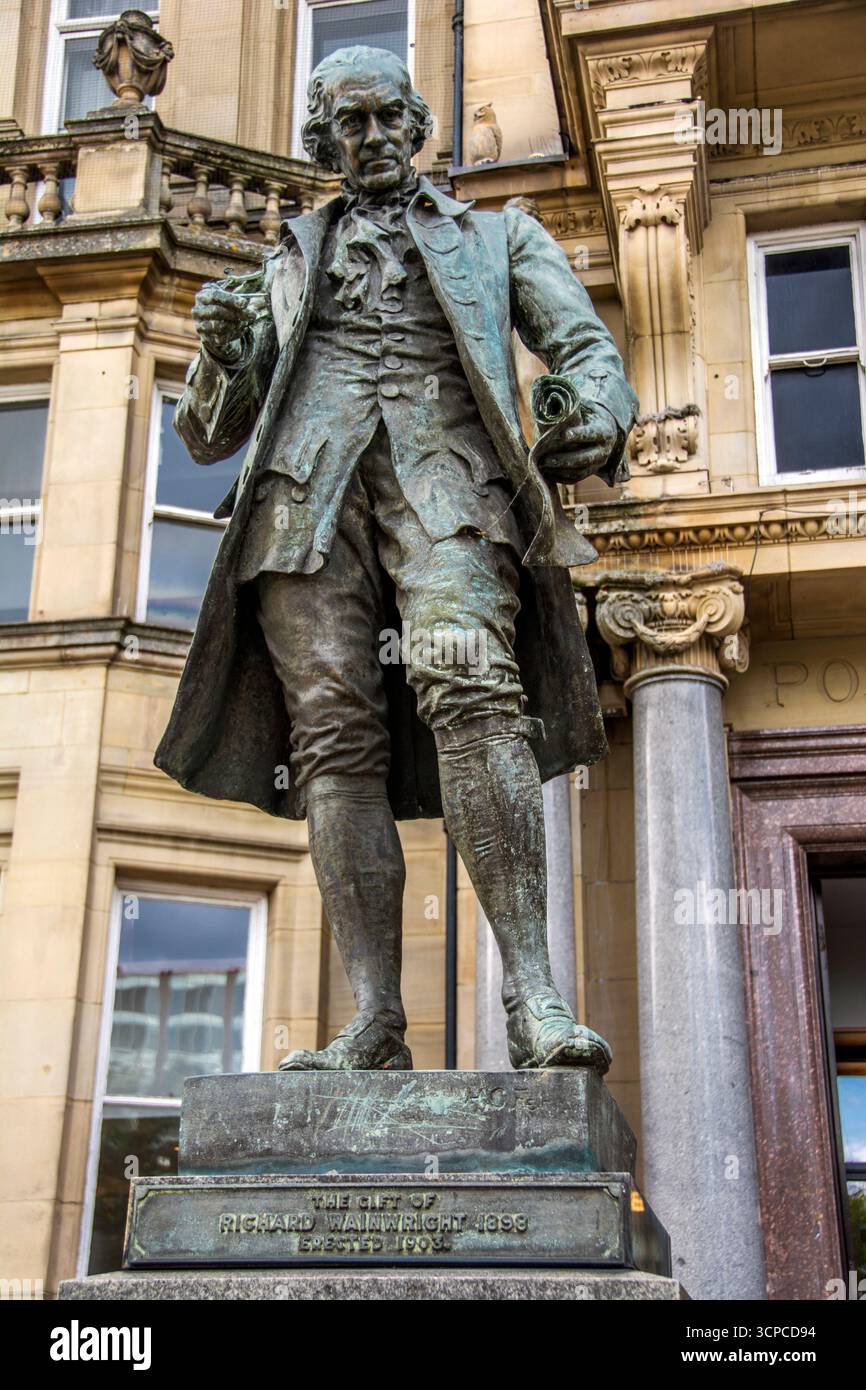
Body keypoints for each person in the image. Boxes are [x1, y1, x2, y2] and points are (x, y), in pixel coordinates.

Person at [155, 45, 638, 1073]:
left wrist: (594, 412)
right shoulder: (283, 261)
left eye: (386, 118)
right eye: (348, 124)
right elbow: (207, 432)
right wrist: (222, 354)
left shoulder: (499, 236)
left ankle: (532, 997)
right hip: (303, 504)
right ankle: (375, 1018)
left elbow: (587, 351)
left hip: (447, 486)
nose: (370, 138)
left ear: (418, 125)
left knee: (473, 688)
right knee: (332, 740)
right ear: (321, 141)